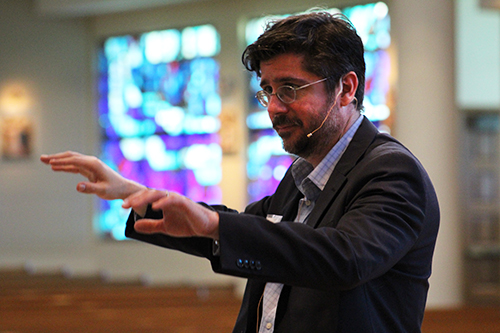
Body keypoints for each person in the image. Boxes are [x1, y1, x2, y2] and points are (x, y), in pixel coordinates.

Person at [41, 11, 439, 333]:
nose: (274, 107)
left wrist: (214, 225)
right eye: (268, 90)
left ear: (346, 88)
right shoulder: (303, 176)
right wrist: (134, 193)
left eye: (291, 89)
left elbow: (344, 258)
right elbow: (247, 230)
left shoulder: (390, 171)